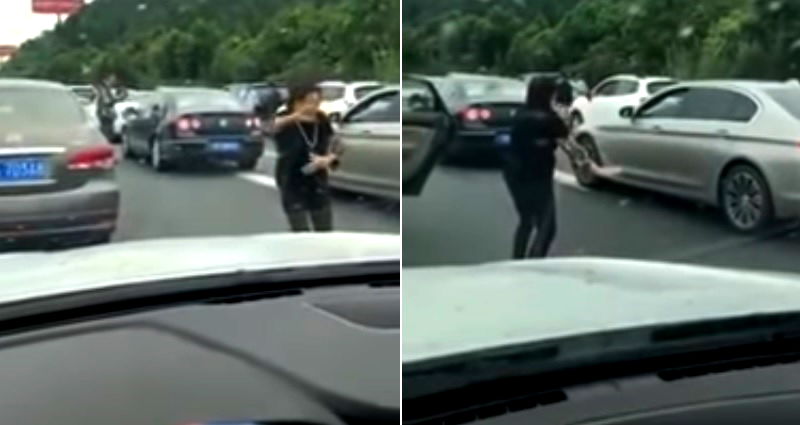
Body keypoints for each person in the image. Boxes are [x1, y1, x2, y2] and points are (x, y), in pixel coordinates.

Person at [503, 77, 569, 259]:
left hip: (515, 174)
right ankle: (534, 263)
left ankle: (517, 259)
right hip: (537, 176)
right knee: (547, 226)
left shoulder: (521, 115)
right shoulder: (545, 118)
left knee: (526, 221)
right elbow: (563, 130)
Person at [271, 82, 342, 232]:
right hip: (292, 179)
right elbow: (272, 127)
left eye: (317, 102)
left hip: (317, 180)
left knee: (324, 229)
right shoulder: (285, 119)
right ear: (297, 102)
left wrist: (327, 159)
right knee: (300, 230)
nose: (313, 107)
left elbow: (336, 144)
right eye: (309, 102)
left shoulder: (321, 120)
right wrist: (296, 116)